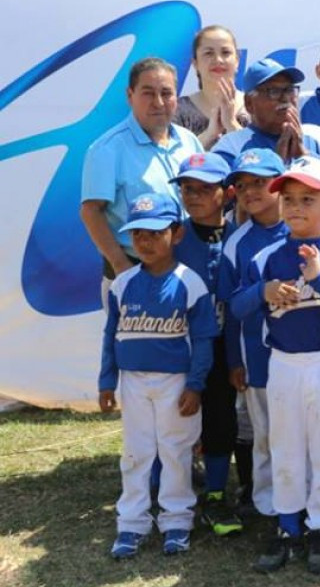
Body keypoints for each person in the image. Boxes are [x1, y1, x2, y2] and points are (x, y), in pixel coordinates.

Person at [231, 157, 320, 575]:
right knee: (285, 445)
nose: (295, 207)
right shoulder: (268, 256)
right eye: (288, 199)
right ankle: (287, 524)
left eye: (308, 199)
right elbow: (237, 306)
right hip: (285, 363)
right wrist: (264, 290)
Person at [98, 193, 219, 559]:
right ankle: (132, 523)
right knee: (136, 452)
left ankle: (177, 520)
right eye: (138, 235)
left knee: (175, 450)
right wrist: (107, 380)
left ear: (176, 234)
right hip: (133, 381)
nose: (145, 242)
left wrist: (196, 385)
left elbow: (203, 339)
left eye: (154, 233)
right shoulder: (123, 283)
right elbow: (110, 335)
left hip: (175, 381)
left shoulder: (189, 282)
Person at [80, 57, 203, 300]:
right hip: (135, 270)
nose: (158, 102)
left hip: (188, 268)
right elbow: (91, 211)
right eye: (148, 93)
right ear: (130, 95)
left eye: (166, 93)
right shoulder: (107, 149)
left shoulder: (190, 142)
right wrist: (120, 266)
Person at [168, 153, 241, 536]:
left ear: (227, 194)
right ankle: (166, 493)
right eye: (187, 189)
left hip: (223, 350)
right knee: (174, 420)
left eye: (204, 189)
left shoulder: (238, 236)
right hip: (179, 349)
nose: (194, 196)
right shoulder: (174, 236)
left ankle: (215, 493)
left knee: (220, 420)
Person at [217, 148, 289, 520]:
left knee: (303, 435)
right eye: (242, 185)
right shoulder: (237, 241)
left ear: (280, 182)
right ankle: (266, 502)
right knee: (264, 436)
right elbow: (231, 307)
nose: (249, 191)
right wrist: (233, 360)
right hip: (257, 357)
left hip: (305, 355)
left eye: (259, 182)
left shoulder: (305, 227)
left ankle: (307, 501)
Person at [213, 58, 320, 165]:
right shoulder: (232, 146)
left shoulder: (314, 142)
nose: (285, 98)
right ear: (249, 103)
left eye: (289, 90)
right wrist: (276, 164)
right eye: (274, 91)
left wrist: (303, 155)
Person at [174, 25, 249, 149]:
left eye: (225, 53)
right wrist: (209, 134)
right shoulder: (177, 110)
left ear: (237, 60)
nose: (218, 60)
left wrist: (231, 124)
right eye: (209, 53)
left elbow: (263, 160)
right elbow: (173, 162)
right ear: (195, 63)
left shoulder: (255, 107)